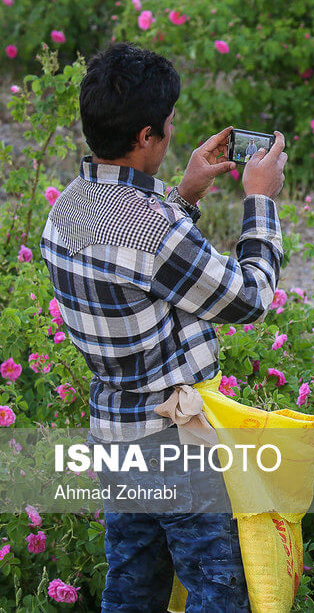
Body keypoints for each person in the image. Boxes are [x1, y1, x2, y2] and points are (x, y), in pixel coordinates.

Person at [39, 42, 287, 612]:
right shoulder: (155, 233)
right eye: (168, 126)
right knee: (216, 591)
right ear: (146, 136)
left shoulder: (68, 209)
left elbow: (131, 261)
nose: (174, 134)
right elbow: (249, 298)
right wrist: (259, 201)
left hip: (116, 437)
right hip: (176, 442)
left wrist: (185, 194)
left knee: (132, 586)